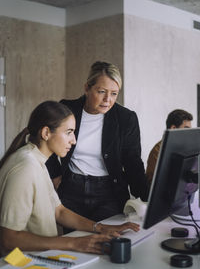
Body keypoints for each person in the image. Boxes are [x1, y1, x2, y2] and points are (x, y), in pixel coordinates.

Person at [0, 100, 140, 256]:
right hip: (21, 266)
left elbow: (58, 211)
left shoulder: (37, 160)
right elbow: (9, 239)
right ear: (46, 133)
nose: (74, 140)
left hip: (42, 257)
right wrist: (73, 243)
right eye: (68, 132)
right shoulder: (26, 168)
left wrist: (101, 228)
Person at [46, 61, 149, 231]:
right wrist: (55, 175)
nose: (108, 100)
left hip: (109, 192)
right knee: (75, 242)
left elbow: (133, 163)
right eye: (101, 91)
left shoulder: (126, 118)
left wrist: (148, 199)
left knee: (106, 241)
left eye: (114, 94)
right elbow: (47, 140)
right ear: (87, 88)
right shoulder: (66, 109)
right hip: (71, 189)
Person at [146, 109, 193, 185]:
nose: (189, 134)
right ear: (174, 129)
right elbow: (159, 185)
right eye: (186, 129)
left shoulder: (183, 149)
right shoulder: (158, 151)